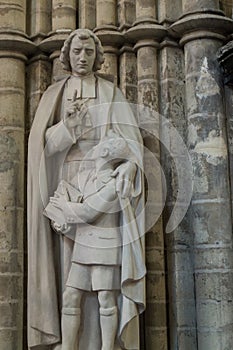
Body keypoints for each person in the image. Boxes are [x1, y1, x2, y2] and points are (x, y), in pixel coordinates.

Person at [28, 29, 145, 350]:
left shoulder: (111, 93)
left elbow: (132, 144)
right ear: (66, 55)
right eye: (77, 51)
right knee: (70, 277)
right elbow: (44, 147)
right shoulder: (55, 94)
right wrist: (68, 127)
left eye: (89, 52)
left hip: (102, 187)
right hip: (67, 183)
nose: (82, 57)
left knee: (104, 286)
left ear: (97, 56)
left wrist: (129, 166)